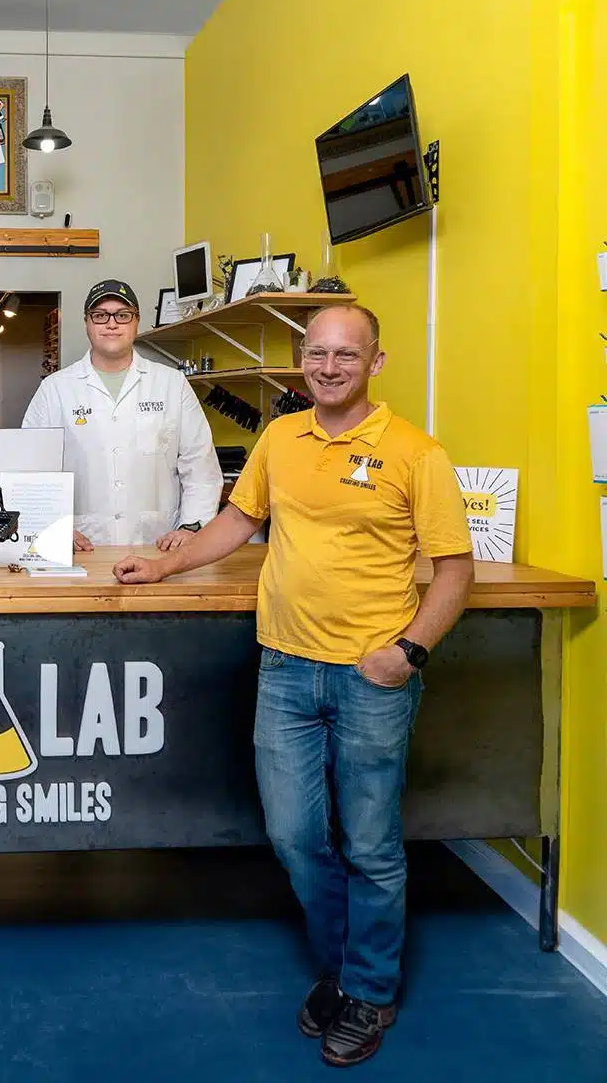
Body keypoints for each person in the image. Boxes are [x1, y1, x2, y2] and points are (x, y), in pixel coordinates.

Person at [113, 304, 473, 1067]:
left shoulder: (416, 453)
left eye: (347, 354)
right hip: (284, 669)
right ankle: (345, 972)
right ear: (300, 360)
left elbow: (455, 571)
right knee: (295, 837)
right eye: (316, 353)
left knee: (371, 845)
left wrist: (406, 652)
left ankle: (369, 993)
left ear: (376, 362)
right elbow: (237, 523)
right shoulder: (281, 437)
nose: (329, 366)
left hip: (371, 677)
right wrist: (165, 563)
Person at [21, 279, 223, 549]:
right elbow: (30, 471)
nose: (111, 323)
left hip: (159, 545)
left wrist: (192, 526)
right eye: (100, 315)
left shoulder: (172, 385)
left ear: (136, 322)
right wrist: (51, 526)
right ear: (87, 323)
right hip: (81, 547)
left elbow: (200, 467)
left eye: (123, 315)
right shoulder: (54, 390)